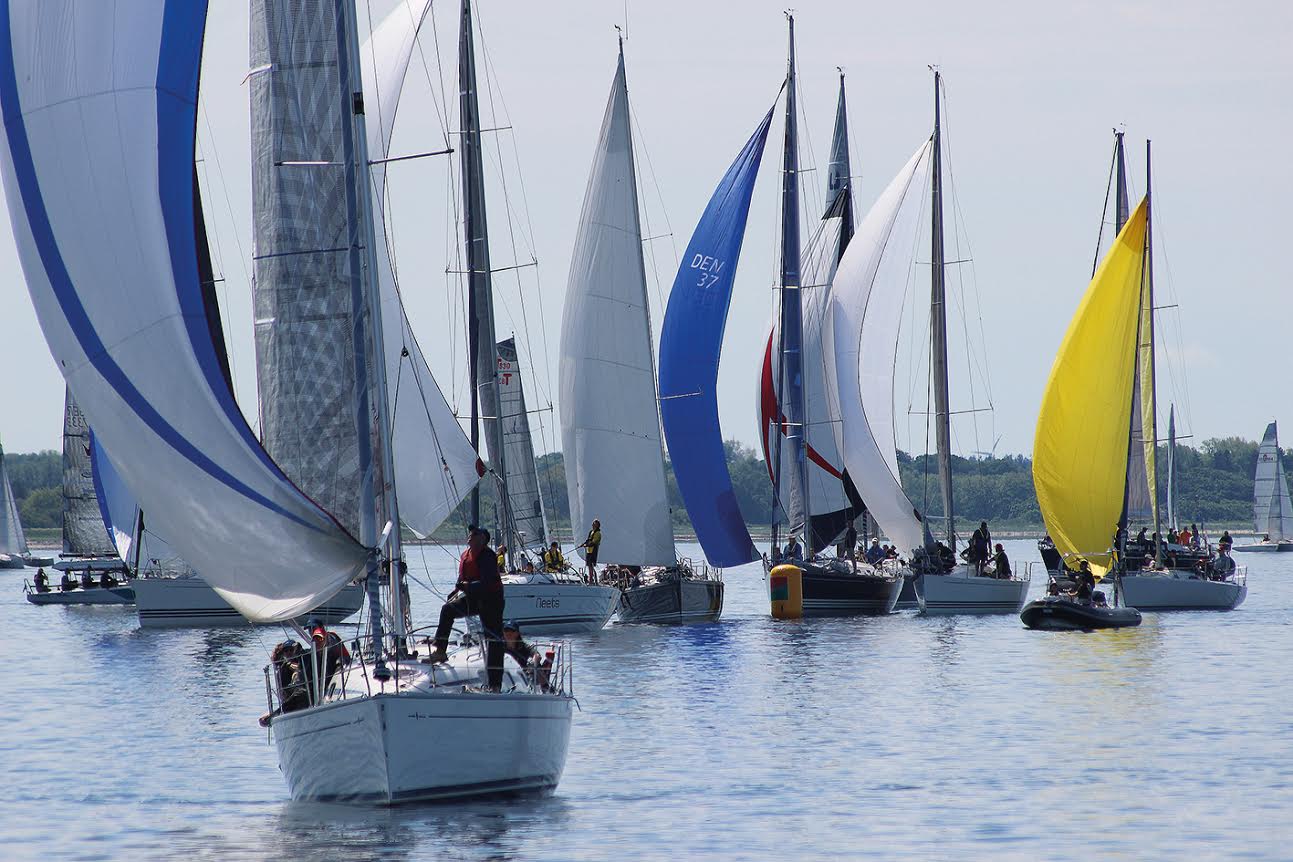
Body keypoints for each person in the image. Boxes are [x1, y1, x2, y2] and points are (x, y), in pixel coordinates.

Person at [427, 527, 505, 691]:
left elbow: (487, 583)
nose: (470, 535)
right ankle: (440, 650)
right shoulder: (466, 555)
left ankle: (495, 684)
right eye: (470, 533)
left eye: (474, 533)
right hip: (473, 598)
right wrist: (456, 591)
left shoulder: (488, 556)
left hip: (491, 601)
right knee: (447, 610)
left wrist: (468, 586)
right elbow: (463, 578)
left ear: (482, 539)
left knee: (494, 639)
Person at [501, 621, 552, 692]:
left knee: (537, 666)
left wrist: (532, 663)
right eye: (506, 630)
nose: (509, 633)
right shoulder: (499, 647)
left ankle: (545, 689)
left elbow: (537, 655)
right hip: (505, 675)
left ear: (517, 633)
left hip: (523, 675)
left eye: (512, 631)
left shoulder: (524, 647)